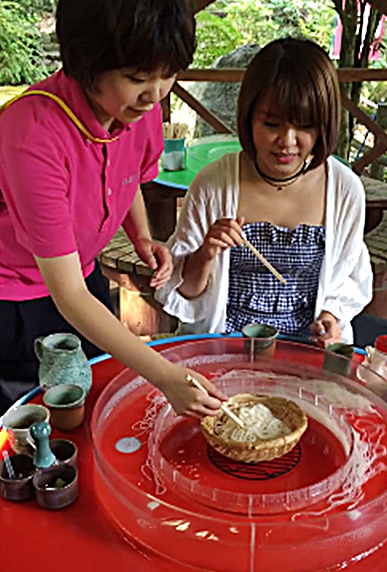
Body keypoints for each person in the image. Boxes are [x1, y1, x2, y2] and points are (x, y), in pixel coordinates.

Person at [0, 0, 225, 416]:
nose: (155, 94)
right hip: (15, 299)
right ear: (86, 63)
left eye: (169, 74)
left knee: (95, 394)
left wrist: (141, 235)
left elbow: (129, 177)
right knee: (31, 419)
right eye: (138, 77)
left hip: (83, 279)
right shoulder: (32, 133)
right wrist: (165, 375)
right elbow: (67, 295)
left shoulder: (140, 110)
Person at [156, 38, 373, 346]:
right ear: (248, 116)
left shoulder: (344, 191)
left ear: (323, 125)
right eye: (272, 124)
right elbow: (185, 295)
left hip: (306, 350)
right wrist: (205, 253)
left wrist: (330, 319)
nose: (287, 141)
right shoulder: (213, 185)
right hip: (223, 346)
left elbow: (345, 286)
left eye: (305, 126)